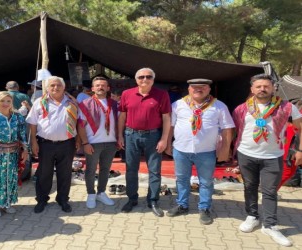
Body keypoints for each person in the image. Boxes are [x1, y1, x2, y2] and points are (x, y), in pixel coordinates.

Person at [233, 74, 302, 247]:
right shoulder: (242, 108)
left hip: (272, 156)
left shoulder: (287, 107)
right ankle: (252, 216)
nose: (262, 89)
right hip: (246, 154)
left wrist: (300, 149)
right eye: (258, 86)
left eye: (266, 86)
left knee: (270, 191)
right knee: (249, 187)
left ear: (273, 88)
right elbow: (235, 131)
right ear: (252, 89)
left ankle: (270, 225)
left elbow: (300, 128)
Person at [165, 78, 235, 225]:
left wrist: (224, 150)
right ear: (189, 89)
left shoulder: (219, 106)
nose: (198, 89)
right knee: (182, 179)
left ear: (209, 89)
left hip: (206, 151)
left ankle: (204, 208)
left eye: (202, 87)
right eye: (194, 87)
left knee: (206, 182)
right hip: (181, 149)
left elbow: (227, 128)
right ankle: (182, 205)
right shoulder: (178, 104)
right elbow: (170, 126)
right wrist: (167, 144)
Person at [118, 68, 171, 217]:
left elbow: (167, 118)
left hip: (153, 136)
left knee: (154, 170)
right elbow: (122, 117)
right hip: (131, 135)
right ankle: (132, 199)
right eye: (141, 77)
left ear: (153, 79)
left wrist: (164, 139)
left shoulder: (161, 94)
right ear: (136, 79)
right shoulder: (127, 94)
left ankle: (153, 200)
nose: (145, 79)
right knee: (131, 169)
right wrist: (120, 136)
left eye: (148, 77)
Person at [26, 76, 78, 213]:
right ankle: (42, 200)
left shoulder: (72, 102)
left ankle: (62, 199)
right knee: (44, 173)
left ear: (64, 87)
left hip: (67, 144)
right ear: (47, 88)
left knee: (65, 173)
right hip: (45, 144)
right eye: (52, 85)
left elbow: (80, 122)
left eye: (58, 85)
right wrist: (33, 142)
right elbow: (32, 123)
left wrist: (79, 142)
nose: (55, 88)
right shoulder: (40, 102)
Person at [77, 77, 118, 209]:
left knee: (105, 170)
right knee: (90, 170)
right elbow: (81, 126)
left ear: (108, 88)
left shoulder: (115, 104)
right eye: (97, 85)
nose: (100, 87)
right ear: (92, 88)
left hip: (111, 143)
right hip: (93, 143)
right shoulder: (85, 104)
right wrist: (85, 143)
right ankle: (90, 194)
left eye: (103, 85)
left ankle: (101, 192)